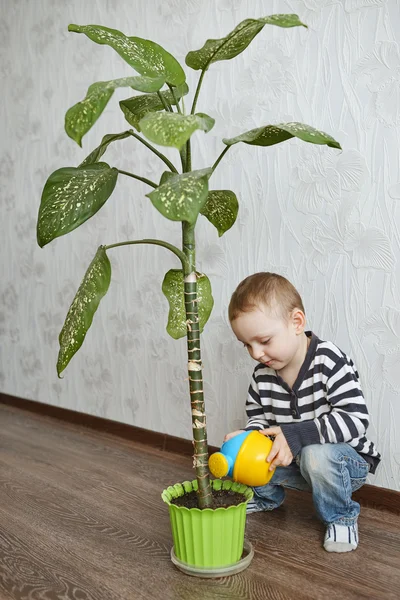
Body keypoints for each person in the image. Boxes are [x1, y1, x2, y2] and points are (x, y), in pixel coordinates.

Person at [225, 272, 380, 553]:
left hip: (342, 464)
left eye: (264, 341)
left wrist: (296, 434)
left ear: (296, 322)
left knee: (315, 454)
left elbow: (355, 419)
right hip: (294, 463)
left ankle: (340, 515)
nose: (256, 353)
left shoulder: (328, 360)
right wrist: (248, 439)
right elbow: (258, 417)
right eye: (247, 345)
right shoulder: (263, 374)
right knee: (246, 452)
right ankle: (266, 498)